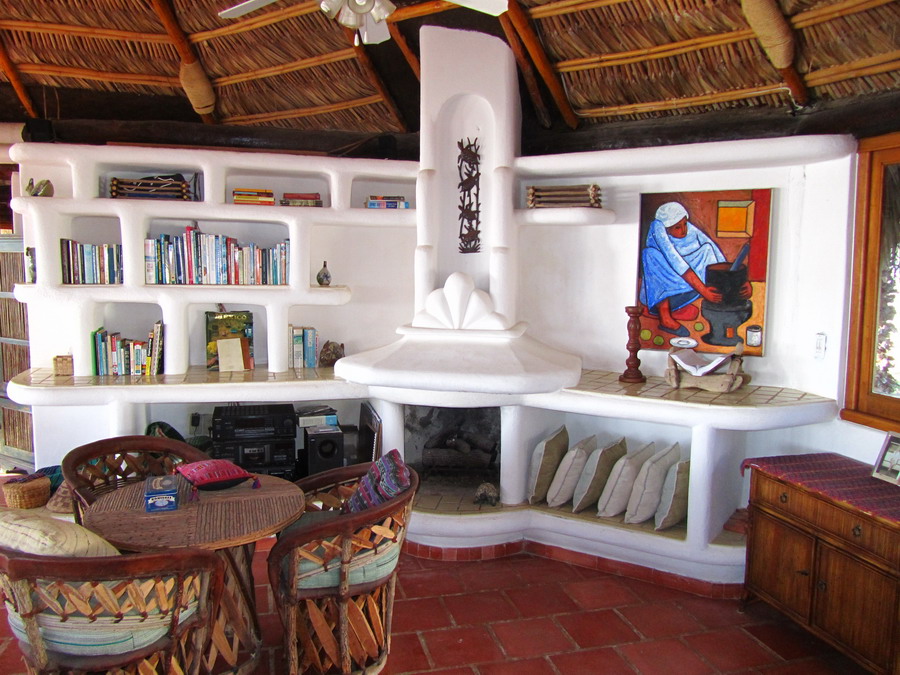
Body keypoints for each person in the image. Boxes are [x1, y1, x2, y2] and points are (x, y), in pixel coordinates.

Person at [639, 201, 746, 337]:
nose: (684, 230)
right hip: (666, 289)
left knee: (707, 248)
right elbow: (676, 262)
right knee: (649, 254)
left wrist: (736, 281)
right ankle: (665, 317)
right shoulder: (658, 232)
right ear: (666, 228)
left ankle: (719, 294)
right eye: (677, 227)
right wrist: (703, 290)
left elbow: (713, 249)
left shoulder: (689, 229)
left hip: (689, 286)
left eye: (685, 224)